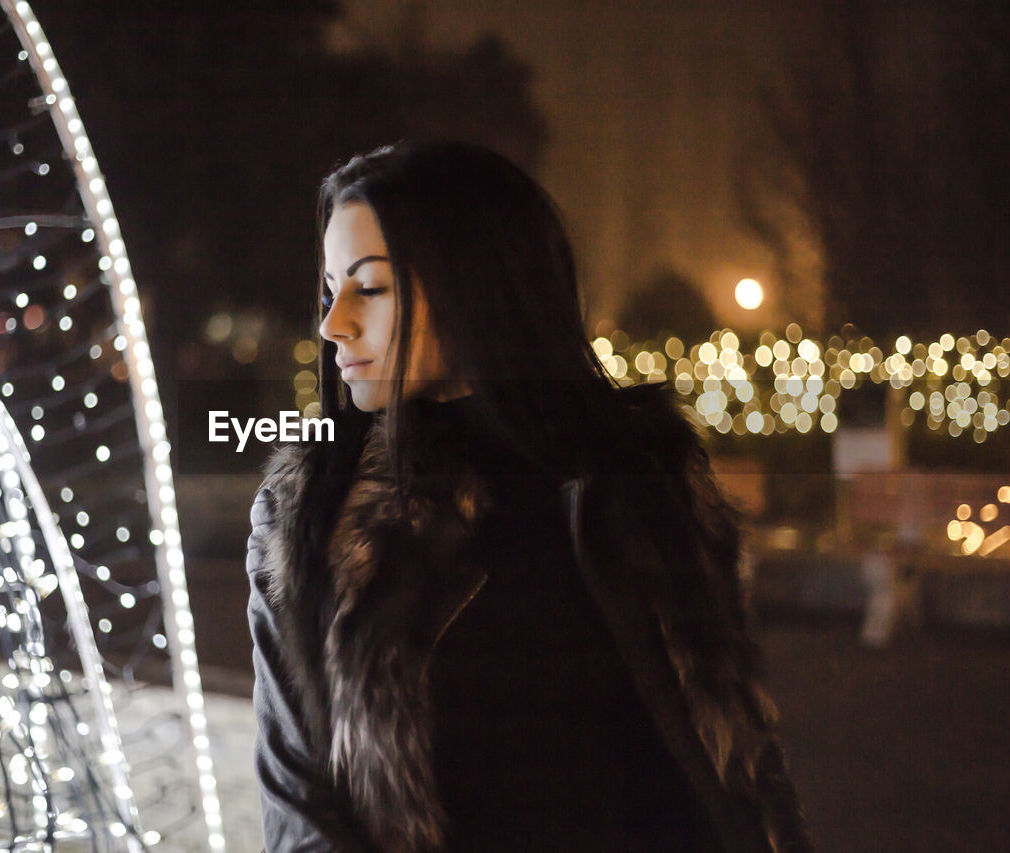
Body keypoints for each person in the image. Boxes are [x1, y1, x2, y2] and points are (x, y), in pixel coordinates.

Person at [246, 141, 811, 852]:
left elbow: (743, 763)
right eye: (331, 289)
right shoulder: (313, 514)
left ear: (474, 285)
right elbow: (300, 804)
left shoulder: (641, 482)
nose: (335, 322)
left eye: (372, 287)